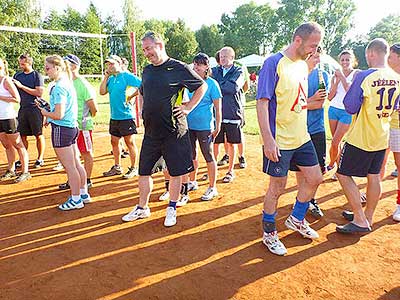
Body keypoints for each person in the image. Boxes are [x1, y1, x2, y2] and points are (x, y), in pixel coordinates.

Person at [122, 31, 207, 227]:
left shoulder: (178, 68)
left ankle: (172, 207)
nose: (146, 53)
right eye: (143, 50)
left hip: (174, 131)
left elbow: (201, 86)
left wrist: (188, 107)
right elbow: (142, 90)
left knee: (176, 172)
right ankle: (142, 208)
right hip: (151, 132)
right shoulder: (147, 70)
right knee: (144, 172)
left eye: (148, 48)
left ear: (159, 45)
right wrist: (142, 111)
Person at [257, 22, 324, 255]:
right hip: (280, 139)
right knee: (277, 187)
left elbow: (298, 101)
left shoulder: (302, 66)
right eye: (312, 45)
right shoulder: (273, 63)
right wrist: (268, 139)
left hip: (301, 136)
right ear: (298, 40)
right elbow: (262, 102)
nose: (315, 50)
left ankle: (295, 219)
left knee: (315, 178)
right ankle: (269, 233)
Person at [335, 38, 400, 233]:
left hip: (361, 136)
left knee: (342, 173)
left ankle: (360, 218)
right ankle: (368, 216)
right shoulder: (397, 77)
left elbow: (350, 106)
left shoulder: (365, 75)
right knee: (374, 177)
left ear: (371, 53)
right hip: (382, 135)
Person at [38, 55, 90, 210]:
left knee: (70, 166)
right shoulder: (67, 83)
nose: (46, 71)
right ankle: (83, 194)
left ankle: (75, 199)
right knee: (76, 163)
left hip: (62, 128)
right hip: (71, 127)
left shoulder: (59, 86)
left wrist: (45, 113)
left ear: (57, 68)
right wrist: (49, 110)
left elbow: (58, 115)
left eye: (48, 68)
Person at [58, 54, 98, 190]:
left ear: (74, 66)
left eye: (66, 63)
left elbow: (94, 107)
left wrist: (85, 119)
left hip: (83, 125)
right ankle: (73, 180)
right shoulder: (66, 82)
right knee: (72, 154)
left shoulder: (82, 83)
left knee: (86, 152)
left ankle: (87, 180)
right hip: (70, 125)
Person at [186, 53, 222, 201]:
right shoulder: (189, 82)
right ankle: (192, 181)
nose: (196, 67)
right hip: (189, 126)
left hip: (205, 126)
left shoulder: (212, 84)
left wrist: (218, 125)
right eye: (195, 64)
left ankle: (212, 187)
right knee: (191, 155)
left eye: (200, 64)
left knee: (208, 155)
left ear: (207, 66)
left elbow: (218, 107)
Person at [100, 55, 141, 179]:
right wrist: (106, 76)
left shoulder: (127, 76)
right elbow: (102, 92)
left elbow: (143, 85)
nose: (109, 66)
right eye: (108, 64)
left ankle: (134, 168)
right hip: (114, 117)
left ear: (119, 63)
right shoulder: (111, 79)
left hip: (126, 116)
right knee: (114, 142)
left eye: (112, 64)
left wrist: (132, 96)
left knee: (129, 142)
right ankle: (117, 166)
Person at [212, 46, 245, 183]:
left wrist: (217, 85)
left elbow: (233, 88)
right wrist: (224, 84)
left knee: (231, 143)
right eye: (221, 56)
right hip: (216, 114)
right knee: (214, 143)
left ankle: (230, 171)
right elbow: (207, 84)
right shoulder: (214, 70)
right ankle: (211, 170)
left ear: (232, 58)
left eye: (226, 56)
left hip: (232, 112)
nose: (222, 58)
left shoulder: (239, 70)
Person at [305, 46, 330, 218]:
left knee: (319, 169)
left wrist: (301, 103)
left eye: (318, 56)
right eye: (313, 56)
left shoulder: (323, 75)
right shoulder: (295, 76)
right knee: (301, 170)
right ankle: (303, 200)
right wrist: (310, 100)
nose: (317, 60)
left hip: (317, 128)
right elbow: (288, 105)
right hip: (298, 130)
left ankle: (311, 200)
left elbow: (319, 104)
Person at [326, 50, 359, 178]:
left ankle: (334, 164)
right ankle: (337, 168)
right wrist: (336, 81)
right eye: (342, 60)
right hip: (333, 109)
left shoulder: (356, 73)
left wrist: (342, 77)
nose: (344, 62)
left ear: (353, 61)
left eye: (347, 59)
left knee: (335, 142)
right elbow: (330, 97)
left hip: (347, 111)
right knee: (335, 143)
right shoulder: (335, 75)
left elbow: (350, 91)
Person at [0, 58, 31, 183]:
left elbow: (17, 99)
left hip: (8, 117)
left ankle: (25, 171)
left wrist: (1, 97)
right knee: (6, 145)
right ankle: (11, 169)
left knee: (18, 144)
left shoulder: (6, 80)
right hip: (0, 118)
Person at [379, 43, 400, 221]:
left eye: (391, 56)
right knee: (380, 161)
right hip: (385, 124)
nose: (388, 59)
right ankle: (373, 193)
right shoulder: (387, 76)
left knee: (399, 165)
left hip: (398, 127)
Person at [13, 54, 45, 168]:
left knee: (38, 134)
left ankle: (40, 158)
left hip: (35, 108)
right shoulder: (17, 75)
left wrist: (21, 86)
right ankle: (23, 158)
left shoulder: (37, 75)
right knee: (22, 135)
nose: (20, 66)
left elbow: (39, 93)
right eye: (20, 63)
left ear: (29, 63)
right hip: (23, 108)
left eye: (23, 64)